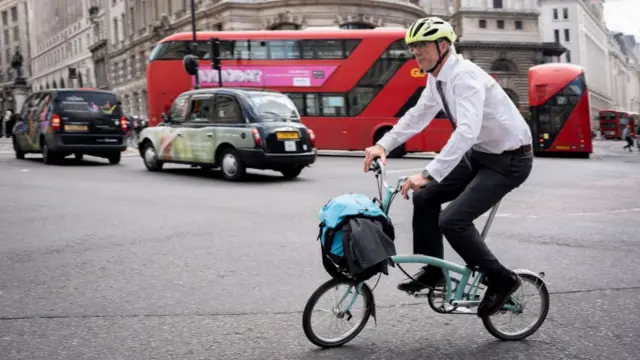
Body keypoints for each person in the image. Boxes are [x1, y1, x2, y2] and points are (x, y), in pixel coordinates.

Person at [363, 17, 534, 318]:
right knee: (424, 197)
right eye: (412, 47)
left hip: (509, 160)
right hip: (481, 154)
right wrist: (384, 145)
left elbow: (467, 131)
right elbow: (418, 115)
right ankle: (434, 271)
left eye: (422, 46)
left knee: (452, 220)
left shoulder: (465, 77)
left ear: (443, 46)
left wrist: (428, 173)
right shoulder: (436, 77)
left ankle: (502, 279)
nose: (416, 52)